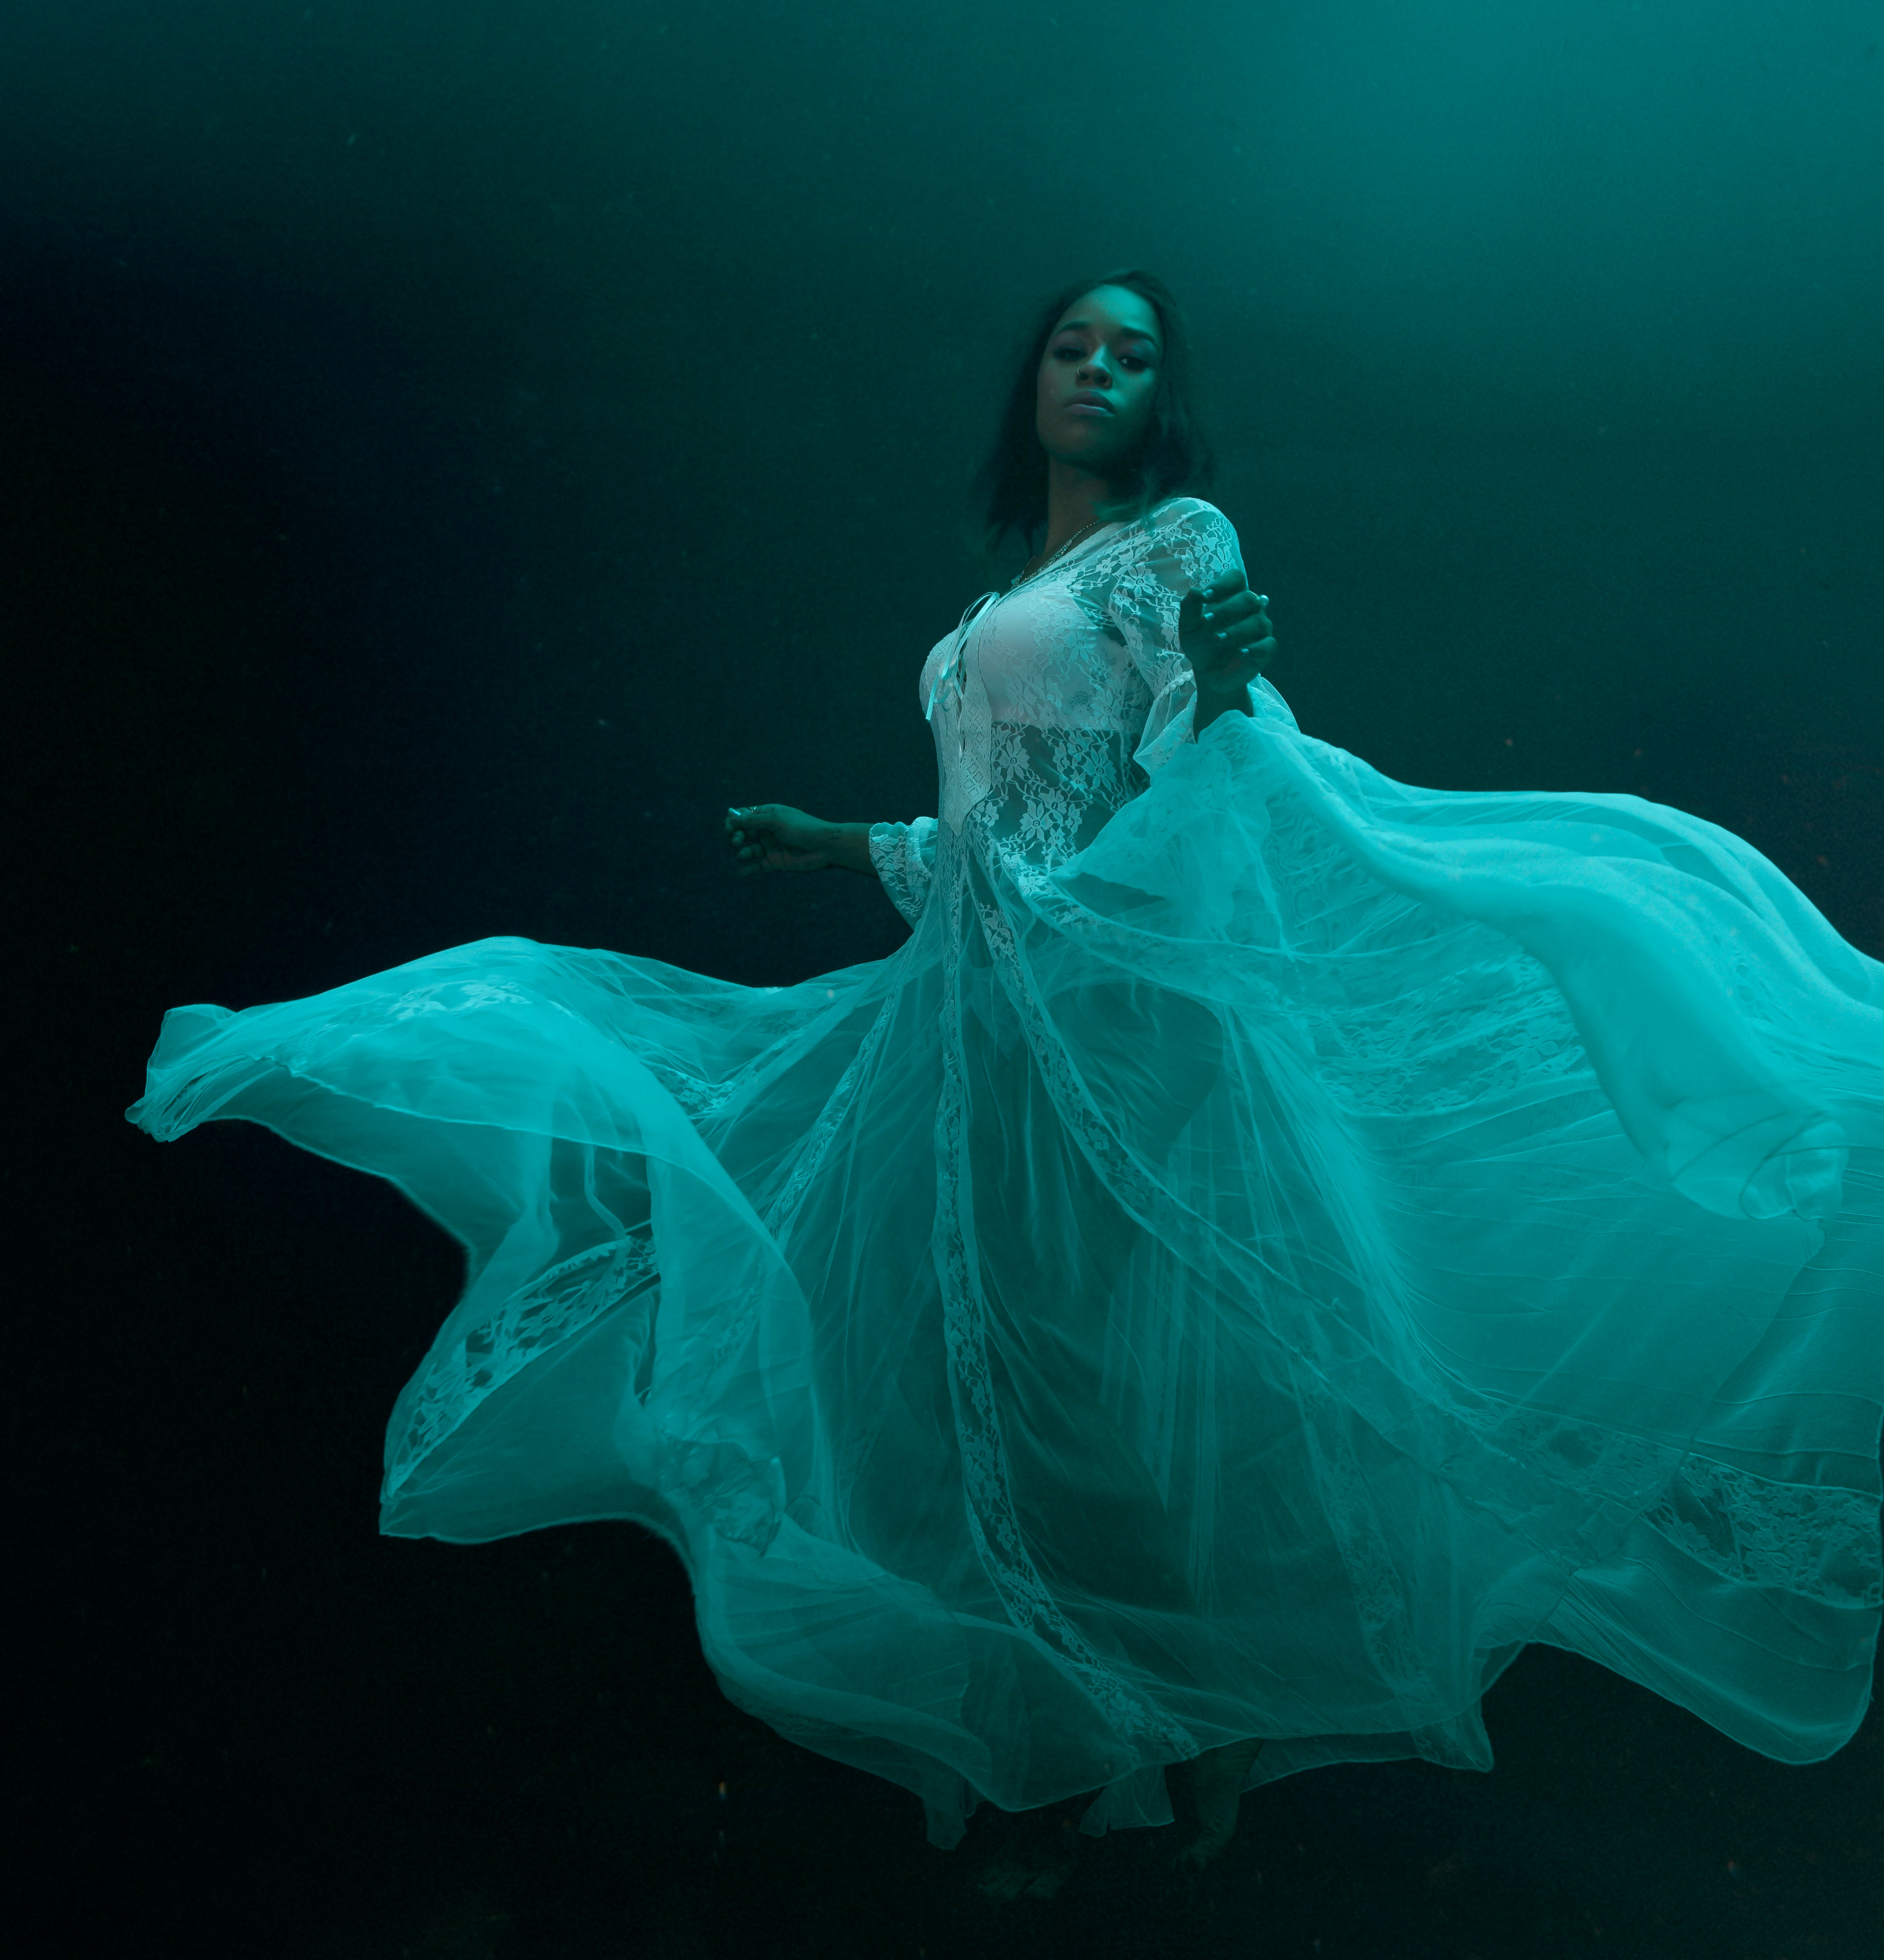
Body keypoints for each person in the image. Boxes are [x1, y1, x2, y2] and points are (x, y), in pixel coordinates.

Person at [130, 270, 1884, 1892]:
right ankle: (1074, 1732)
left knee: (1134, 1367)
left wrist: (1223, 689)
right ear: (1030, 379)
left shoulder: (1174, 544)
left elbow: (1187, 774)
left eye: (1131, 354)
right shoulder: (996, 602)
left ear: (1160, 400)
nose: (1097, 369)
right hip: (973, 1012)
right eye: (1072, 344)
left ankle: (1194, 1719)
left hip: (1110, 1016)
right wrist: (842, 842)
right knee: (979, 1357)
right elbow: (994, 830)